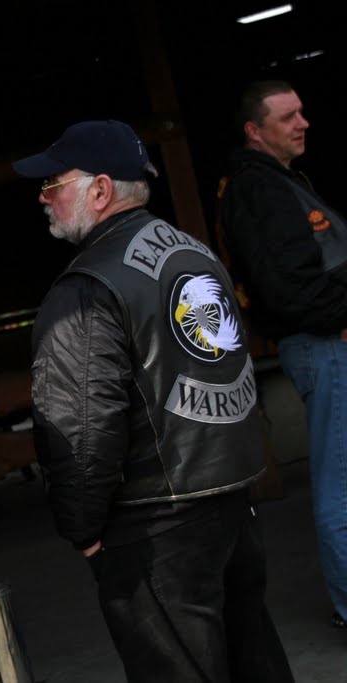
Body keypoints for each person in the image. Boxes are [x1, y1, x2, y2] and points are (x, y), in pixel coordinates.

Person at [14, 120, 293, 681]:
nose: (42, 198)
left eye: (52, 184)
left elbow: (81, 428)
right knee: (253, 660)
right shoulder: (195, 254)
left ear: (99, 190)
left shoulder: (88, 286)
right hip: (232, 504)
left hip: (154, 526)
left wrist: (83, 530)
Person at [215, 79, 347, 631]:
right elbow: (289, 291)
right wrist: (341, 316)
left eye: (302, 113)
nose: (303, 123)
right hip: (325, 346)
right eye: (288, 117)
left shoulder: (279, 182)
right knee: (341, 485)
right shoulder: (258, 190)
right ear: (255, 130)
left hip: (328, 343)